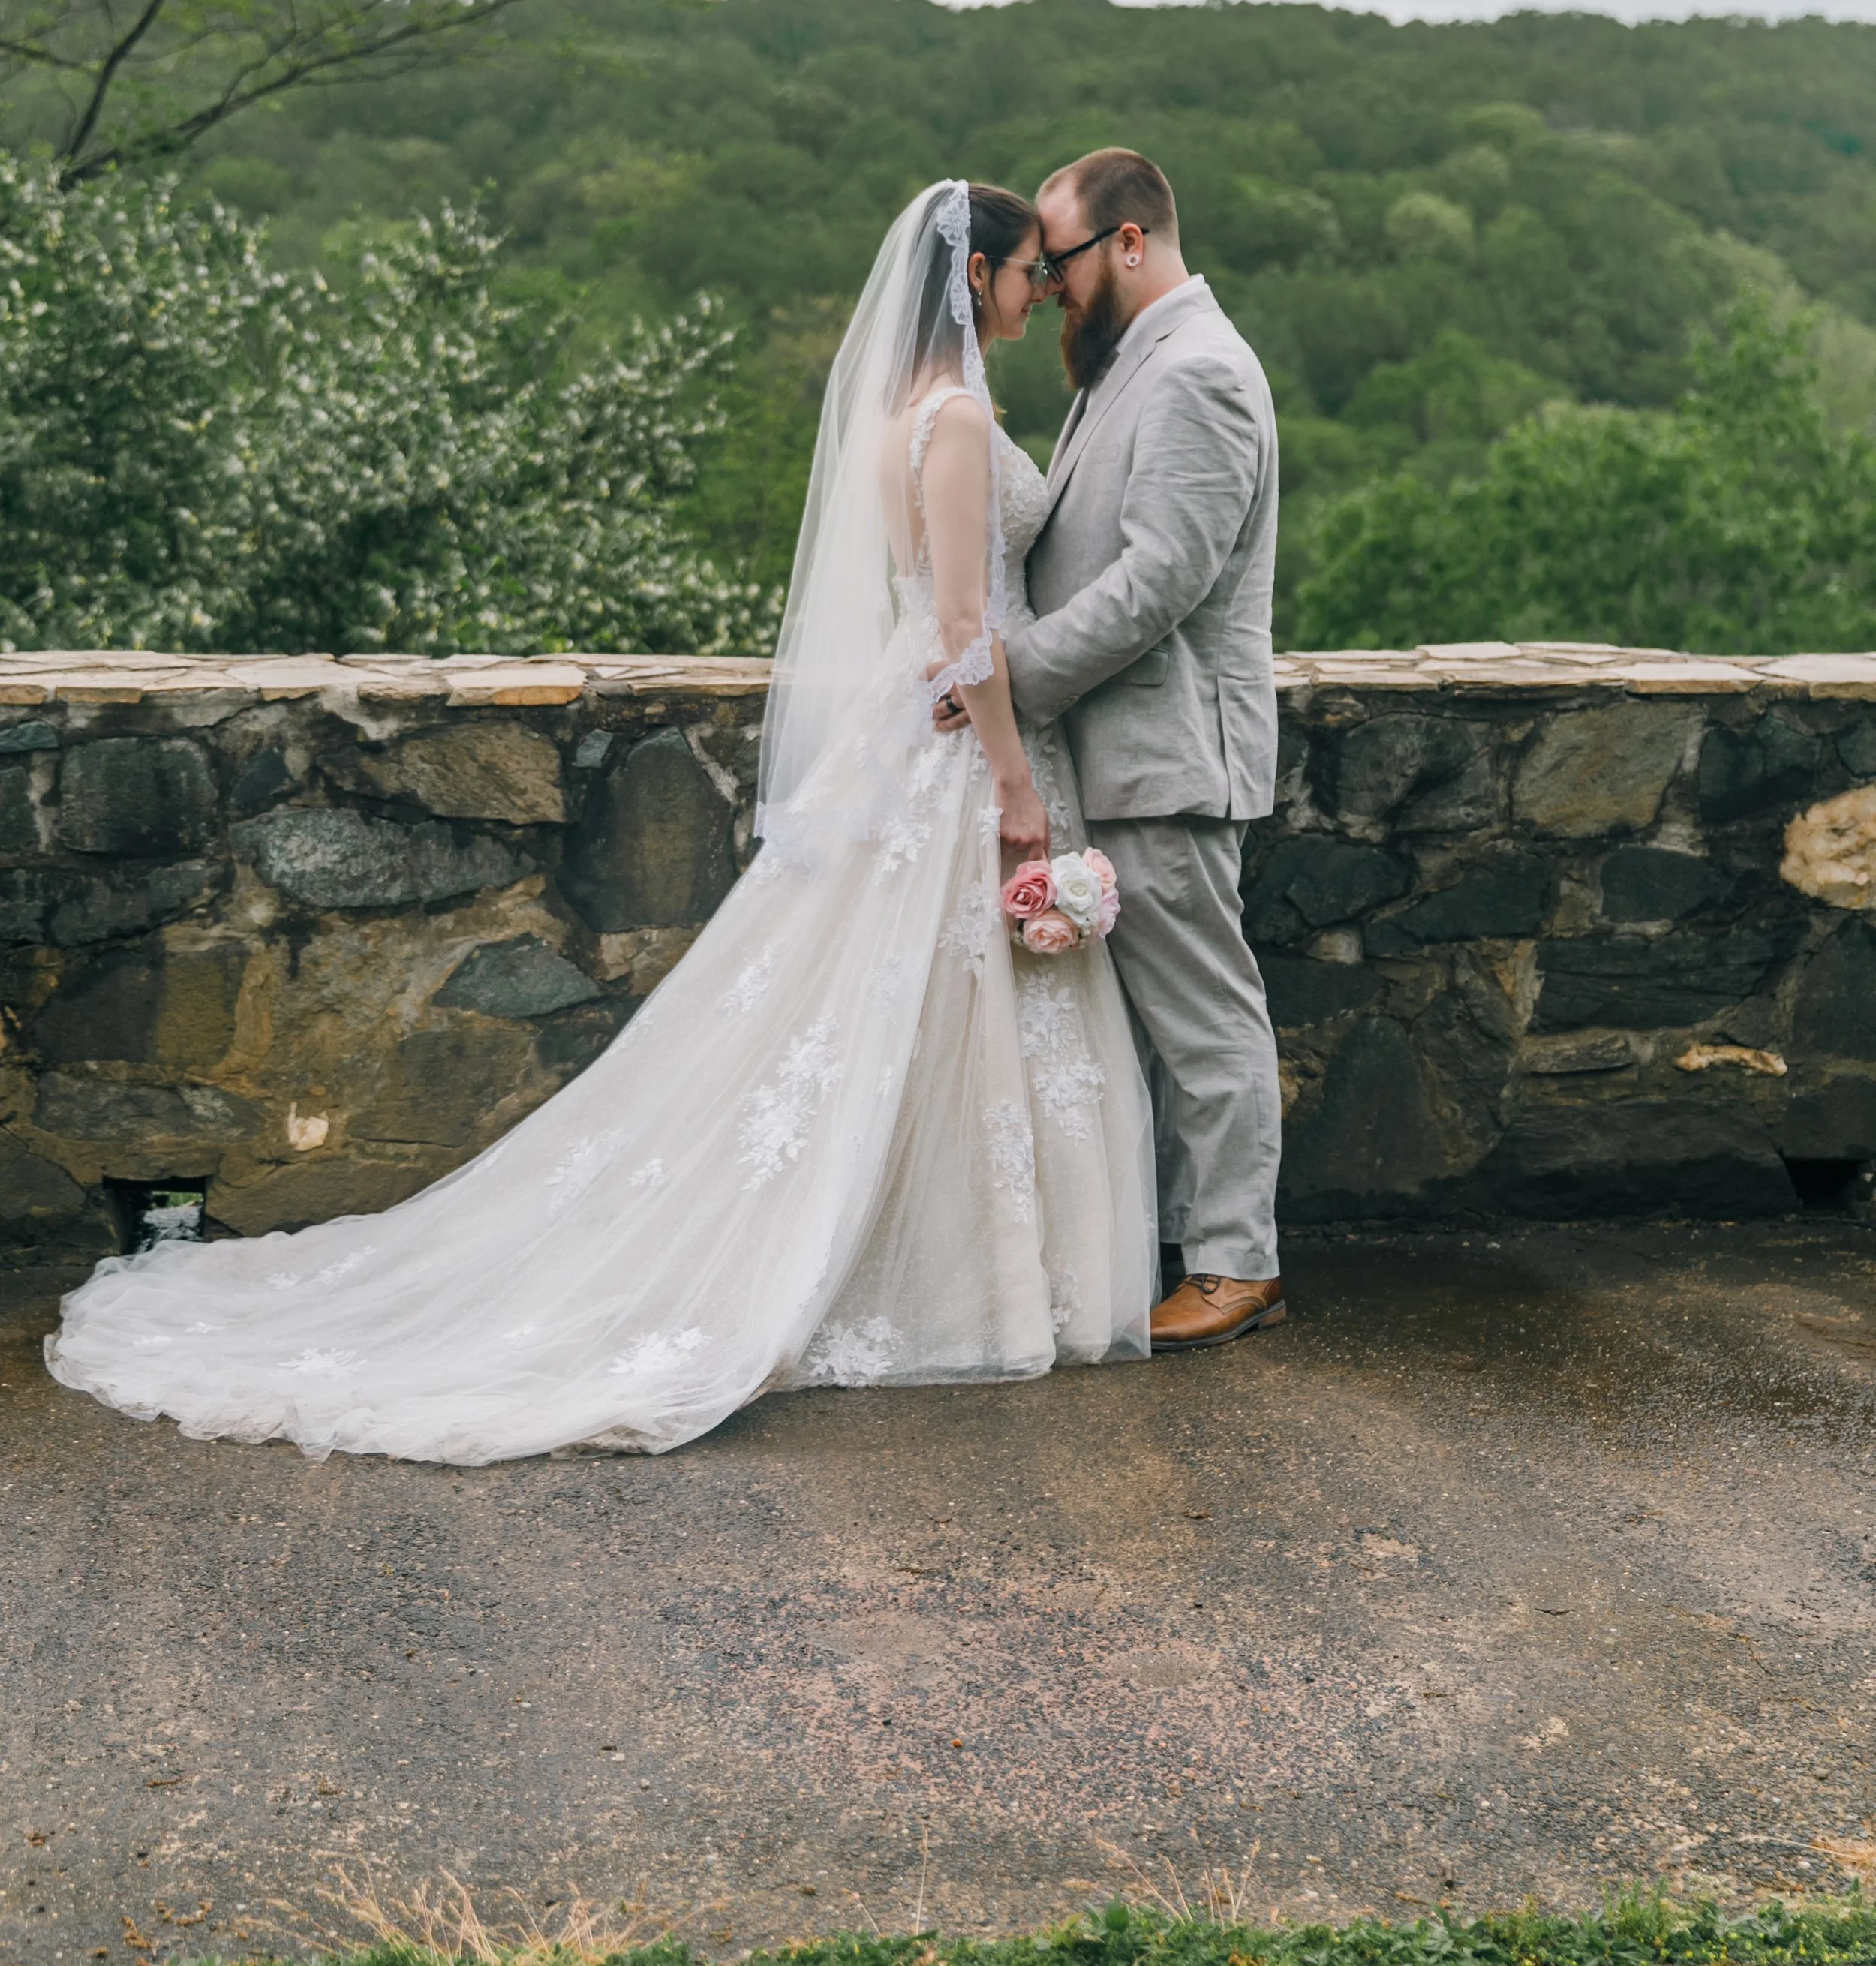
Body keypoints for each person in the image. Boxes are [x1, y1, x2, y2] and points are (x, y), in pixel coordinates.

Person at [46, 183, 1155, 1464]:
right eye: (1026, 273)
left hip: (906, 739)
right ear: (975, 279)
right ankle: (974, 1276)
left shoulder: (891, 416)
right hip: (961, 747)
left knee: (895, 1021)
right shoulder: (954, 418)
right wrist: (1018, 786)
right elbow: (964, 629)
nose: (1039, 291)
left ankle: (970, 1264)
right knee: (931, 1016)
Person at [940, 147, 1284, 1351]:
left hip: (1169, 750)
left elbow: (1161, 581)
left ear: (1129, 243)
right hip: (1112, 752)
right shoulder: (1122, 368)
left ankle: (1239, 1263)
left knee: (1205, 1018)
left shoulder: (1198, 373)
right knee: (1149, 1031)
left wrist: (1010, 676)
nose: (1051, 284)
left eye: (1066, 259)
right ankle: (1182, 1249)